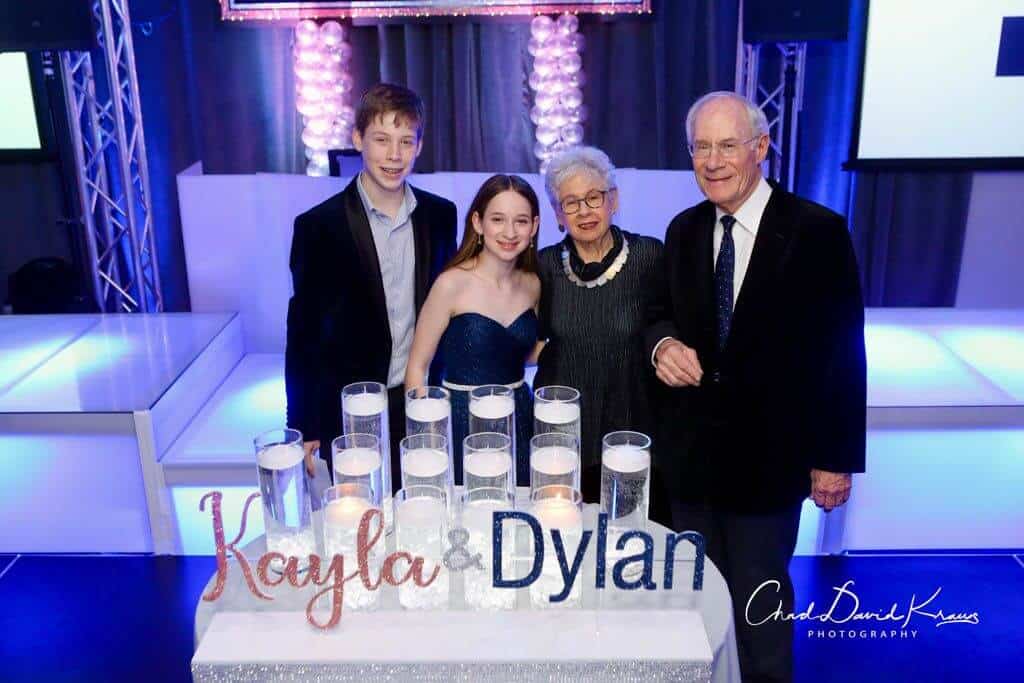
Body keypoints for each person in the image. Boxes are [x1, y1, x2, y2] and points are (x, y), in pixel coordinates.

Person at [646, 91, 866, 683]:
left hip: (769, 468)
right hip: (691, 467)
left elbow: (843, 351)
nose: (713, 161)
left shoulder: (817, 231)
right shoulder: (684, 229)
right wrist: (662, 345)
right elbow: (659, 312)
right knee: (698, 613)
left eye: (727, 146)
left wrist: (834, 459)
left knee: (760, 620)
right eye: (701, 147)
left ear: (760, 148)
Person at [285, 83, 457, 486]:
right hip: (349, 410)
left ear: (419, 146)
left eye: (405, 141)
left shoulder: (440, 216)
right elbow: (303, 334)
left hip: (419, 403)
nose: (393, 155)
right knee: (361, 530)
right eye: (381, 140)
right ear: (358, 139)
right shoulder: (318, 226)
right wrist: (302, 424)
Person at [534, 146, 669, 516]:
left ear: (613, 201)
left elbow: (668, 331)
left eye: (593, 197)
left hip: (632, 431)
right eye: (571, 203)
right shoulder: (542, 265)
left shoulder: (650, 257)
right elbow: (527, 337)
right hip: (563, 438)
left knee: (631, 547)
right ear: (558, 215)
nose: (584, 211)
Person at [404, 174, 540, 486]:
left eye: (520, 221)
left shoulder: (533, 285)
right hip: (460, 421)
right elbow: (417, 367)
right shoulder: (450, 283)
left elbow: (516, 350)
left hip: (518, 417)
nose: (509, 232)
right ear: (478, 223)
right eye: (497, 219)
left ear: (533, 227)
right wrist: (426, 439)